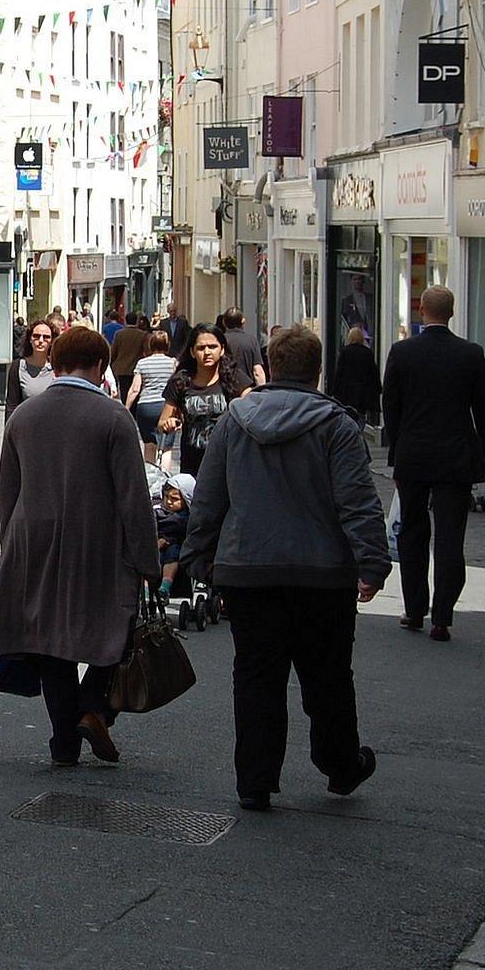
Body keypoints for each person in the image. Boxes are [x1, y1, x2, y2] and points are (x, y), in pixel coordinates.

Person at [181, 325, 389, 811]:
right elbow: (358, 501)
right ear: (317, 370)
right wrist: (372, 562)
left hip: (250, 570)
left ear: (270, 365)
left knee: (256, 676)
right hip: (321, 574)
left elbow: (209, 495)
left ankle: (256, 779)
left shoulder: (236, 419)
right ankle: (340, 766)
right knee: (328, 675)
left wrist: (198, 555)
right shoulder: (336, 424)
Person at [0, 326, 162, 766]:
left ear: (56, 363)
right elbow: (133, 497)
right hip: (99, 546)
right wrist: (148, 560)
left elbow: (5, 495)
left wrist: (9, 547)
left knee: (53, 647)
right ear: (101, 366)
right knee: (115, 632)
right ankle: (92, 708)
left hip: (34, 545)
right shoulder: (112, 417)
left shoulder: (24, 418)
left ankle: (63, 742)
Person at [381, 286, 485, 642]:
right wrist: (484, 448)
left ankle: (415, 608)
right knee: (450, 538)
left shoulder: (402, 352)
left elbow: (391, 405)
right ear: (452, 312)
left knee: (413, 534)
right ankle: (443, 616)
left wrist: (397, 449)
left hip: (414, 456)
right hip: (455, 457)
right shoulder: (470, 354)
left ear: (421, 310)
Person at [159, 323, 252, 477]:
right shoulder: (181, 381)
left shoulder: (235, 379)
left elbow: (252, 413)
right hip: (193, 465)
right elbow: (162, 422)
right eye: (201, 348)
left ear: (222, 349)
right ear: (192, 352)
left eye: (212, 347)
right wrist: (169, 423)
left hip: (229, 463)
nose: (207, 352)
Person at [126, 329, 178, 463]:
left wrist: (126, 408)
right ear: (167, 345)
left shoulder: (142, 363)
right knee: (166, 447)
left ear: (150, 344)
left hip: (146, 406)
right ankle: (165, 479)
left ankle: (150, 477)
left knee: (149, 445)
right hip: (167, 406)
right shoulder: (173, 363)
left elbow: (135, 389)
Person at [3, 319, 57, 420]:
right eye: (36, 336)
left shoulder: (58, 369)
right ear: (30, 339)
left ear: (52, 341)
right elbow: (11, 406)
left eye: (46, 337)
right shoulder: (18, 367)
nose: (41, 340)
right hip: (26, 427)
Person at [328, 326, 381, 427]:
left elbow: (339, 373)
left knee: (347, 414)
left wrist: (335, 392)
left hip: (347, 392)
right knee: (361, 415)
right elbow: (373, 374)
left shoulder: (345, 352)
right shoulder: (367, 353)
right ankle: (358, 433)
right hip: (362, 393)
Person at [155, 473, 193, 597]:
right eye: (166, 497)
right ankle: (145, 590)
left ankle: (165, 586)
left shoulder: (187, 518)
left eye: (175, 499)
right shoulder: (158, 512)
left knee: (172, 557)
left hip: (175, 547)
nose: (169, 502)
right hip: (156, 546)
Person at [220, 308, 268, 388]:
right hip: (247, 390)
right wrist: (262, 391)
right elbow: (257, 371)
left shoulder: (220, 340)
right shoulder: (251, 340)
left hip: (225, 388)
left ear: (224, 322)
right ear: (243, 321)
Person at [111, 313, 150, 401]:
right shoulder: (142, 334)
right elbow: (147, 351)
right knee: (136, 392)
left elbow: (114, 351)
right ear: (136, 321)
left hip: (122, 368)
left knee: (124, 393)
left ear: (126, 320)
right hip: (136, 367)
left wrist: (111, 363)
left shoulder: (119, 334)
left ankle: (126, 410)